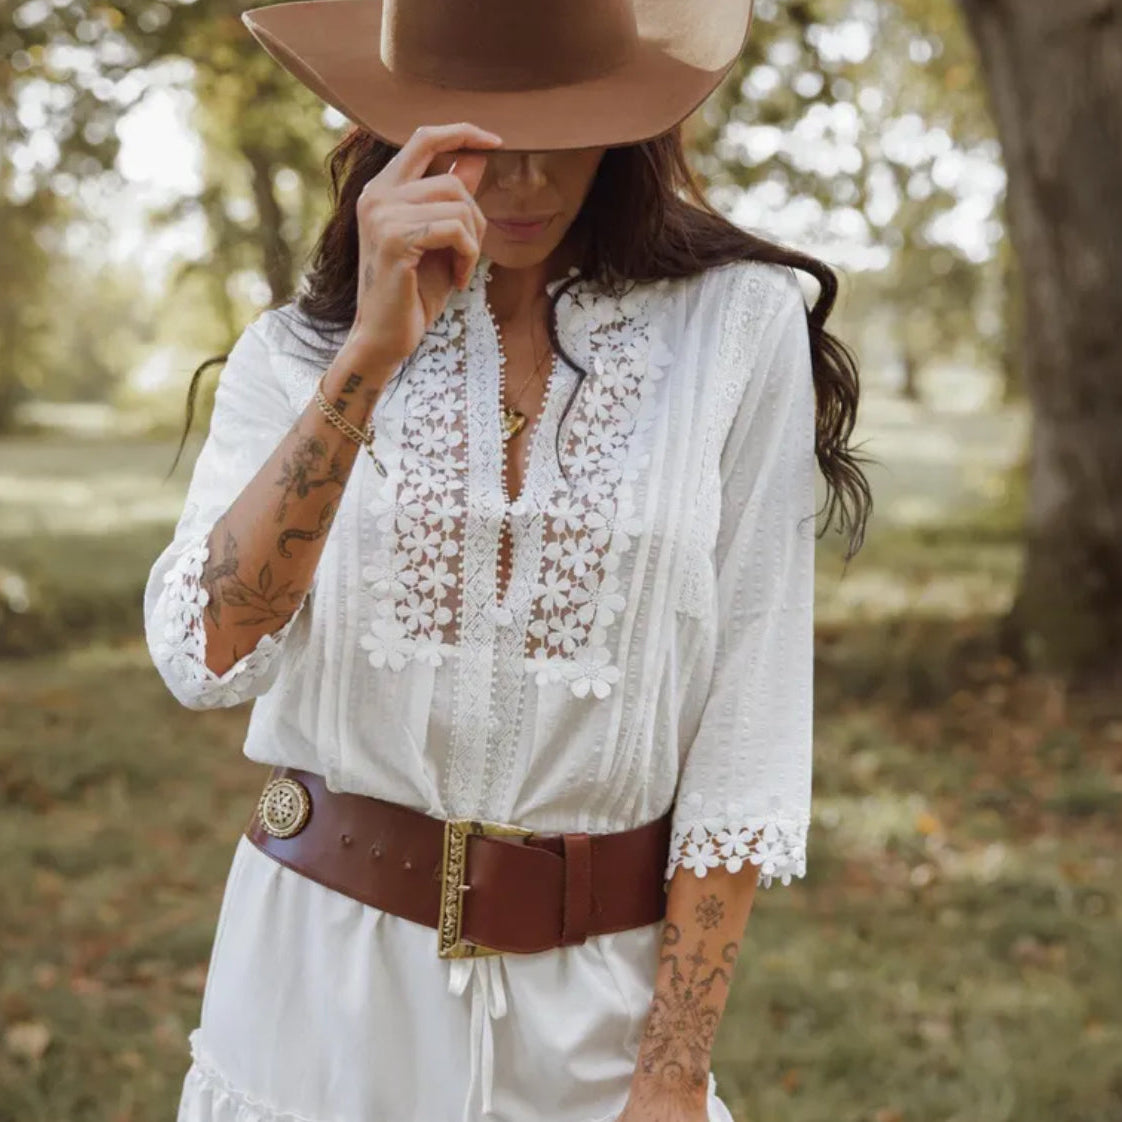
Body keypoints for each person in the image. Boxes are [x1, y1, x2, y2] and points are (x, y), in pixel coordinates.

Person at [144, 1, 871, 1119]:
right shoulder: (297, 351)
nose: (524, 179)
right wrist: (366, 363)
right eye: (482, 134)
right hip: (320, 991)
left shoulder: (736, 328)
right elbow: (208, 654)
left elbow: (748, 719)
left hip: (599, 1013)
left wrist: (673, 1071)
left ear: (626, 119)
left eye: (564, 126)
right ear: (399, 123)